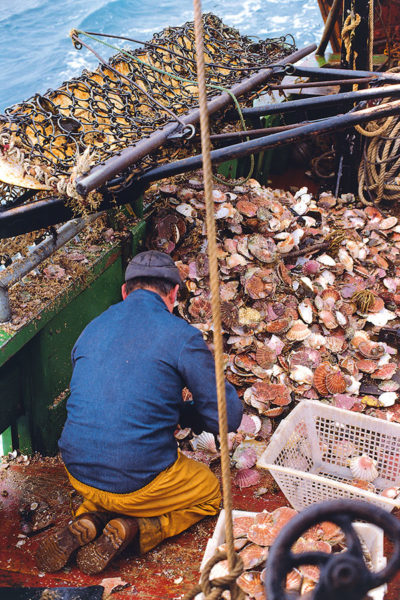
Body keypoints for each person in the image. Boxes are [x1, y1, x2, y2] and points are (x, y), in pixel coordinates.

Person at [36, 250, 243, 575]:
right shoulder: (180, 335)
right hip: (137, 482)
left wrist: (175, 412)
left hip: (77, 473)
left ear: (125, 292)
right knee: (208, 490)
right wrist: (193, 414)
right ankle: (137, 530)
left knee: (109, 487)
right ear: (173, 295)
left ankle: (91, 518)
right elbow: (228, 416)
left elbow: (113, 396)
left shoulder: (93, 327)